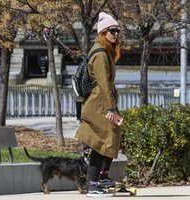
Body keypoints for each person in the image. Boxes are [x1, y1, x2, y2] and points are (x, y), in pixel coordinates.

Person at [75, 12, 122, 197]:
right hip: (99, 104)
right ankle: (93, 184)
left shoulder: (104, 51)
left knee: (109, 138)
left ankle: (101, 178)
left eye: (118, 31)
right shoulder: (100, 54)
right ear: (103, 32)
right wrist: (111, 108)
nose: (116, 34)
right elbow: (103, 84)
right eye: (112, 31)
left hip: (101, 103)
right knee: (101, 142)